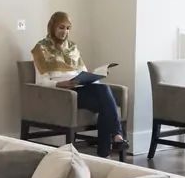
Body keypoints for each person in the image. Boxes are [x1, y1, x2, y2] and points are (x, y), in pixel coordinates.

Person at [31, 11, 128, 157]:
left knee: (104, 92)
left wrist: (97, 76)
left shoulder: (72, 48)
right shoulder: (41, 49)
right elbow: (40, 81)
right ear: (52, 27)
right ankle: (114, 140)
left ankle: (107, 150)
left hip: (81, 88)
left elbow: (83, 72)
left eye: (68, 28)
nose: (65, 31)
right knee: (106, 103)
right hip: (63, 94)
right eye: (61, 27)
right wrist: (59, 84)